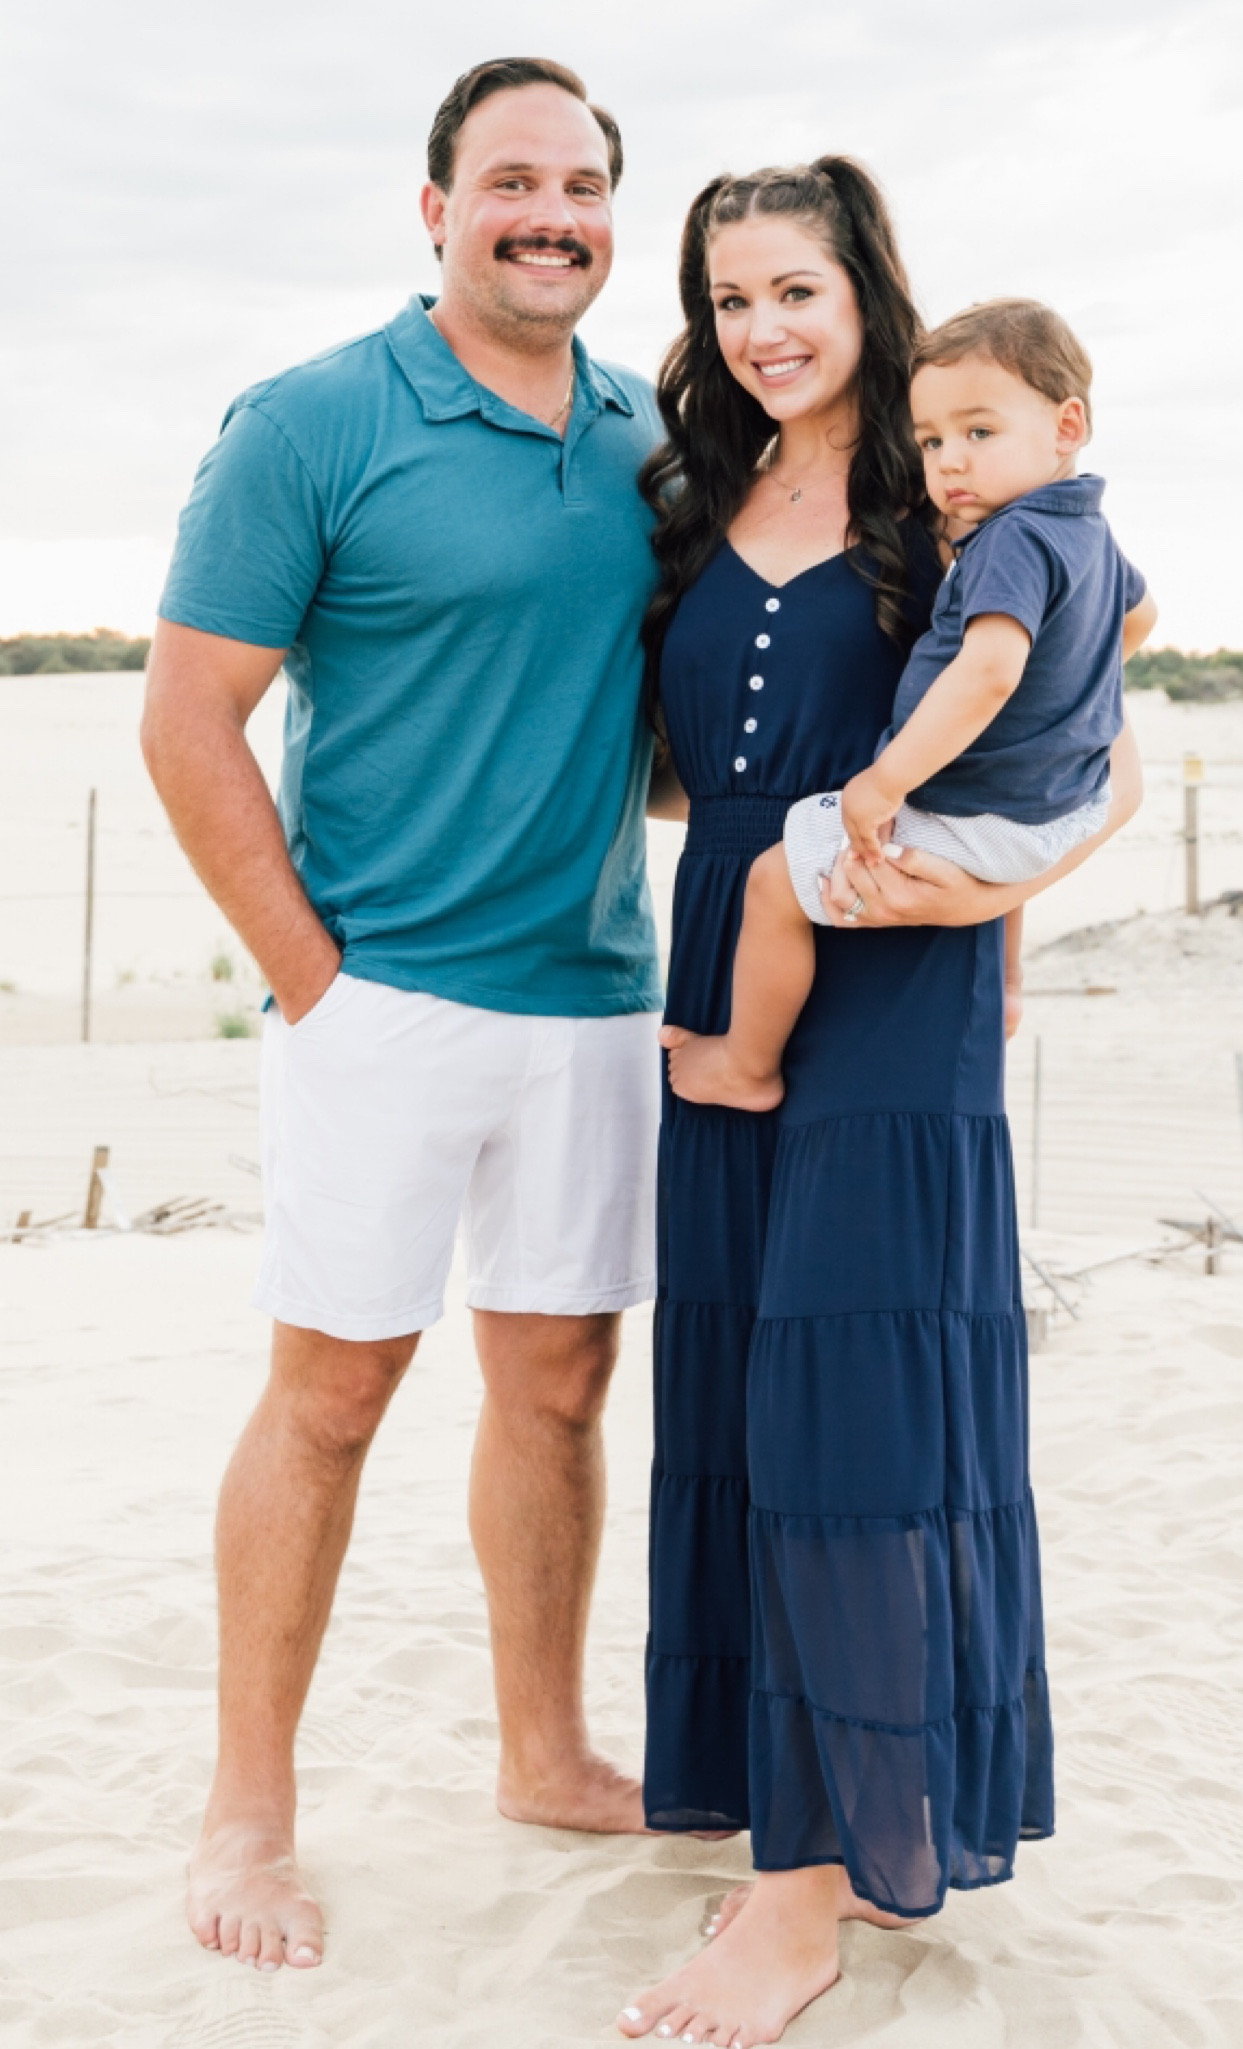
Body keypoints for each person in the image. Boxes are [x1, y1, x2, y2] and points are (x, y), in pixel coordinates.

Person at [142, 56, 667, 1975]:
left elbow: (662, 740)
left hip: (600, 1002)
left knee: (557, 1383)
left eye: (587, 182)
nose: (554, 211)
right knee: (336, 1391)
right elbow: (189, 721)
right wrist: (310, 978)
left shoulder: (651, 437)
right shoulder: (309, 422)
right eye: (513, 177)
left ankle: (544, 1749)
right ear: (432, 206)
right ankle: (247, 1805)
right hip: (381, 1002)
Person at [615, 161, 1144, 2046]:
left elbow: (1109, 728)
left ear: (867, 295)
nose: (764, 324)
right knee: (748, 1389)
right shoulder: (684, 496)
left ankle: (804, 1893)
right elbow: (687, 770)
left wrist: (1017, 876)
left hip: (899, 974)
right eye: (729, 291)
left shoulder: (960, 484)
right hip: (729, 960)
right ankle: (781, 1809)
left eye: (798, 289)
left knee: (854, 1412)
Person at [665, 297, 1157, 1113]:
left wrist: (885, 780)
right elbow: (1137, 620)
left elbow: (991, 669)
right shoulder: (1087, 532)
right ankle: (1005, 981)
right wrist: (1059, 696)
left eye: (979, 433)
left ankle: (746, 1063)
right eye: (931, 441)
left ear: (1067, 427)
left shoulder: (1011, 538)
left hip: (971, 823)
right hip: (1051, 815)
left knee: (773, 884)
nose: (949, 463)